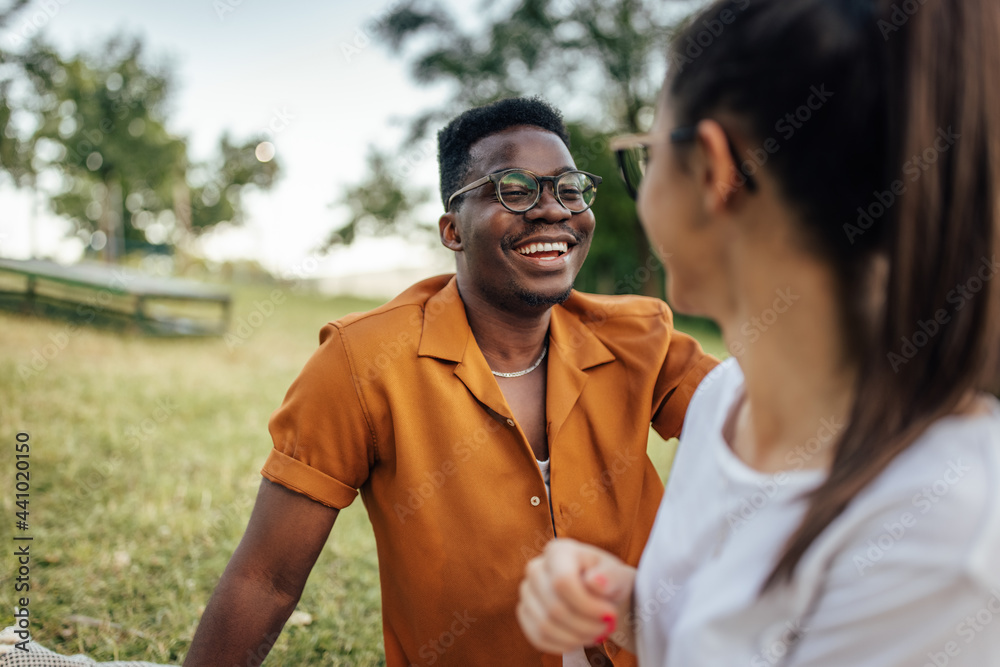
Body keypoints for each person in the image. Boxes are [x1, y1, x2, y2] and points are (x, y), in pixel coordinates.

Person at [517, 0, 1000, 664]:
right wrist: (624, 602)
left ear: (716, 169)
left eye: (646, 154)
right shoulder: (727, 401)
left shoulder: (946, 535)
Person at [182, 97, 717, 667]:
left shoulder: (639, 338)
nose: (553, 211)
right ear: (452, 230)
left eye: (570, 189)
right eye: (514, 190)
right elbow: (266, 579)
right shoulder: (361, 362)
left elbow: (775, 431)